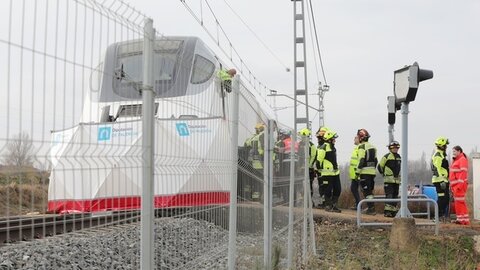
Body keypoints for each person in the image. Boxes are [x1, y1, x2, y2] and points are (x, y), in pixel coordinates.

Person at [316, 130, 341, 212]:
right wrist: (320, 171)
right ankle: (328, 205)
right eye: (333, 139)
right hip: (326, 173)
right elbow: (319, 161)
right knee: (328, 189)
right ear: (329, 139)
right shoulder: (323, 147)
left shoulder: (333, 148)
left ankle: (334, 205)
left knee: (338, 189)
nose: (335, 140)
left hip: (335, 173)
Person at [355, 129, 378, 215]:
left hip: (364, 172)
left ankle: (371, 209)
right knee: (370, 191)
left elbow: (361, 160)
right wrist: (372, 169)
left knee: (366, 191)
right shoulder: (373, 147)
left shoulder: (362, 147)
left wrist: (357, 173)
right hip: (372, 172)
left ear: (361, 138)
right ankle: (371, 208)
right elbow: (376, 161)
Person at [377, 141, 401, 217]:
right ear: (390, 148)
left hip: (396, 180)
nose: (395, 149)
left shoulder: (399, 157)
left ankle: (393, 211)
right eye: (394, 148)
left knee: (395, 195)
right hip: (388, 180)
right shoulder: (386, 156)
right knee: (389, 195)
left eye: (397, 148)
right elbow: (380, 166)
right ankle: (387, 211)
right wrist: (383, 174)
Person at [449, 145, 470, 225]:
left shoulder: (462, 160)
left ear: (459, 151)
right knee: (459, 202)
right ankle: (463, 220)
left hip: (459, 186)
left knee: (459, 203)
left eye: (454, 151)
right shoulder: (457, 160)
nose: (453, 153)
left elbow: (463, 173)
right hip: (456, 186)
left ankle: (462, 220)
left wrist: (459, 186)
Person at [244, 123, 265, 200]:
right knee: (260, 180)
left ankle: (252, 196)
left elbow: (246, 145)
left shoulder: (254, 137)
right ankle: (258, 197)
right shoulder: (261, 136)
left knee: (254, 180)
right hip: (260, 161)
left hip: (253, 162)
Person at [431, 136, 450, 220]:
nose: (446, 147)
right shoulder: (438, 155)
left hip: (443, 180)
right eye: (445, 145)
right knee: (442, 199)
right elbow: (436, 168)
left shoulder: (442, 155)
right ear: (442, 146)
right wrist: (442, 180)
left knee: (446, 199)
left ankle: (440, 215)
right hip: (439, 180)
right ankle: (437, 216)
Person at [298, 128, 317, 207]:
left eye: (303, 136)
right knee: (300, 184)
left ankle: (309, 201)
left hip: (309, 169)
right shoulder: (300, 144)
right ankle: (302, 199)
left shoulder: (311, 146)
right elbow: (299, 156)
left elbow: (314, 156)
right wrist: (299, 166)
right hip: (301, 169)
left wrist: (309, 166)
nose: (301, 138)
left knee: (309, 185)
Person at [315, 127, 329, 208]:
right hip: (321, 169)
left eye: (319, 137)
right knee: (322, 186)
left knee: (324, 186)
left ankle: (326, 202)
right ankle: (324, 201)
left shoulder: (323, 146)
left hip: (323, 170)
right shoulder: (321, 145)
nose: (318, 139)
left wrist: (318, 168)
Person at [348, 134, 361, 210]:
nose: (354, 139)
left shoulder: (360, 148)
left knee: (358, 189)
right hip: (355, 174)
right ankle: (358, 205)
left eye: (356, 138)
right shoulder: (356, 148)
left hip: (359, 173)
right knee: (353, 188)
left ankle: (360, 205)